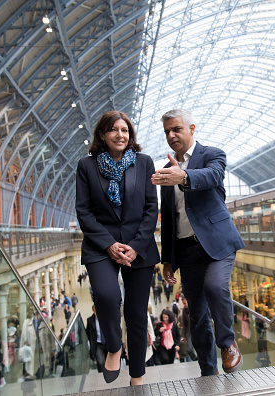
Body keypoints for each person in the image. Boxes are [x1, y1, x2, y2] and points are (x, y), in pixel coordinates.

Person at [152, 109, 245, 376]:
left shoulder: (212, 155)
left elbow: (213, 176)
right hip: (186, 249)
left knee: (215, 287)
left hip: (217, 243)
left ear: (192, 129)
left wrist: (184, 177)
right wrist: (167, 259)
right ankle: (208, 370)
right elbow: (168, 218)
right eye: (167, 131)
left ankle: (228, 343)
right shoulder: (168, 171)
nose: (171, 135)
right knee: (198, 316)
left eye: (177, 129)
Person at [76, 110, 160, 386]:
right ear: (102, 135)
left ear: (130, 135)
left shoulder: (145, 163)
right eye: (113, 129)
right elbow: (84, 212)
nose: (120, 134)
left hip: (139, 245)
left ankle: (137, 376)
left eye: (125, 130)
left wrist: (135, 246)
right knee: (106, 295)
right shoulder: (86, 167)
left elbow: (151, 209)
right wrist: (110, 244)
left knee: (136, 313)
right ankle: (113, 346)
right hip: (101, 246)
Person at [86, 305, 108, 373]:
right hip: (98, 344)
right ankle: (101, 374)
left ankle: (109, 374)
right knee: (100, 362)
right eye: (95, 311)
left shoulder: (106, 318)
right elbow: (88, 333)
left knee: (109, 360)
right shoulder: (90, 320)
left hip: (107, 343)